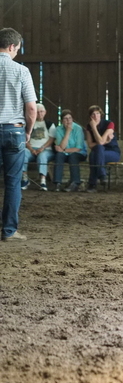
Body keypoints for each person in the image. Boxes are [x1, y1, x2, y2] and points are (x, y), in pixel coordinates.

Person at [0, 28, 37, 242]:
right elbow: (31, 109)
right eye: (17, 50)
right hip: (14, 131)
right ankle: (9, 231)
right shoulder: (21, 71)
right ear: (12, 46)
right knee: (13, 182)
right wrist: (27, 132)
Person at [84, 105, 121, 193]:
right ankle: (102, 176)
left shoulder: (109, 124)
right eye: (93, 114)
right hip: (98, 152)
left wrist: (94, 128)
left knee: (95, 153)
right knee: (95, 152)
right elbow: (90, 145)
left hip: (112, 152)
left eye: (97, 113)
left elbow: (100, 142)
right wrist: (105, 141)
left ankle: (92, 184)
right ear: (90, 117)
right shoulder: (88, 127)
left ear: (101, 115)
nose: (96, 116)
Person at [22, 103, 56, 192]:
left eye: (41, 111)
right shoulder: (29, 124)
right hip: (32, 149)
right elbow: (25, 139)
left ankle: (43, 181)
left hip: (46, 149)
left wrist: (42, 148)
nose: (40, 114)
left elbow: (52, 139)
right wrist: (31, 149)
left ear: (45, 112)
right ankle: (25, 179)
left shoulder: (50, 124)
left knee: (42, 156)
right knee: (23, 153)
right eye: (37, 112)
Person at [53, 109, 88, 192]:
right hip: (65, 154)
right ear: (62, 120)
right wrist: (68, 132)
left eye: (70, 118)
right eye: (65, 118)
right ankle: (57, 183)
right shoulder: (58, 129)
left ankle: (75, 182)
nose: (68, 120)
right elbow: (61, 146)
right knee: (59, 155)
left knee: (73, 156)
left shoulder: (78, 128)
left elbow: (78, 148)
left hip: (79, 153)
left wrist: (64, 150)